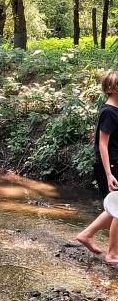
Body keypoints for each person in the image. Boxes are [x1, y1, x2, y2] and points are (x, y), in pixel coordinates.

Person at [77, 71, 118, 262]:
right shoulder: (108, 112)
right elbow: (102, 144)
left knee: (115, 209)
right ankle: (112, 254)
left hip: (114, 164)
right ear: (112, 89)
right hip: (110, 166)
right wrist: (109, 173)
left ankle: (87, 234)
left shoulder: (115, 110)